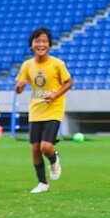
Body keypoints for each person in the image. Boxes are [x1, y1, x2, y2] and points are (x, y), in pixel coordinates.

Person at [15, 27, 73, 194]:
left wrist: (56, 95)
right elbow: (19, 88)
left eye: (44, 41)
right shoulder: (27, 65)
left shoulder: (57, 64)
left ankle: (54, 158)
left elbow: (69, 82)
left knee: (45, 147)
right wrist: (19, 87)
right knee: (35, 148)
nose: (41, 44)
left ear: (49, 45)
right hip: (35, 110)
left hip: (53, 109)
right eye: (37, 41)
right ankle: (42, 183)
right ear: (31, 45)